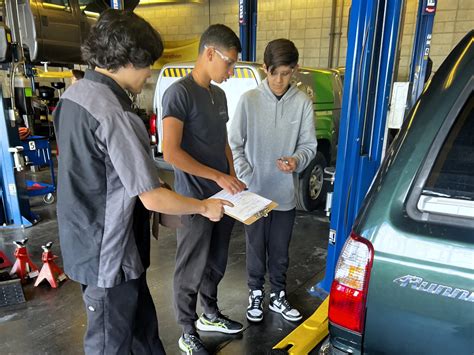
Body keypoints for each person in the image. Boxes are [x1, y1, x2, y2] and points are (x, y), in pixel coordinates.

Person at [53, 10, 231, 355]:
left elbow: (102, 174)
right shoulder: (116, 114)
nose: (149, 73)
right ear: (128, 58)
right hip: (110, 253)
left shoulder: (73, 98)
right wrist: (203, 206)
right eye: (147, 63)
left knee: (144, 335)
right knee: (111, 344)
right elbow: (151, 198)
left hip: (83, 237)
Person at [161, 24, 246, 355]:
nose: (231, 70)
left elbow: (222, 142)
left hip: (224, 198)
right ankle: (186, 328)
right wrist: (216, 177)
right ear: (209, 53)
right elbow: (171, 152)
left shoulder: (219, 94)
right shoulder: (178, 94)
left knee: (216, 261)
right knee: (191, 264)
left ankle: (209, 313)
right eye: (230, 63)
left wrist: (233, 177)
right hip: (195, 199)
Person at [229, 39, 317, 324]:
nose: (279, 80)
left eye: (286, 73)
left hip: (284, 195)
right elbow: (234, 143)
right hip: (254, 193)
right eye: (274, 73)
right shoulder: (249, 100)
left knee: (280, 250)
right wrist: (246, 173)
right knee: (255, 248)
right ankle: (256, 292)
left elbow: (309, 145)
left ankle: (277, 294)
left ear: (295, 70)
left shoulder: (302, 103)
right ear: (265, 69)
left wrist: (296, 160)